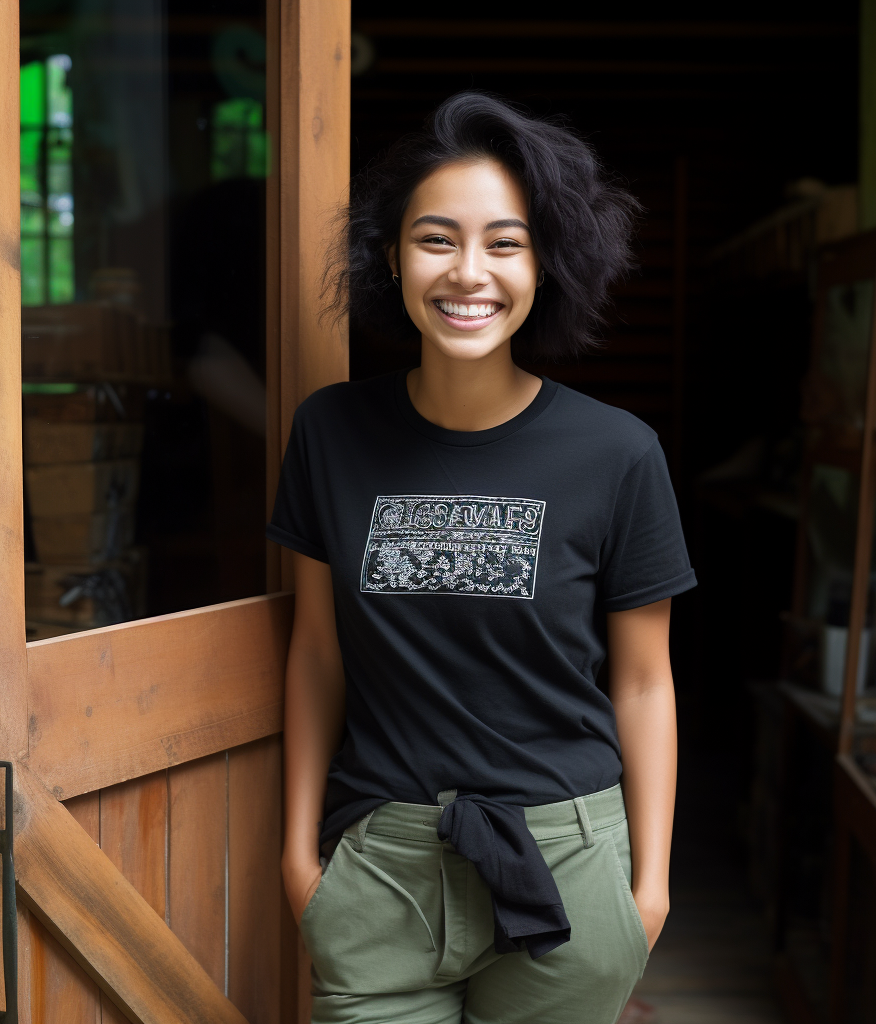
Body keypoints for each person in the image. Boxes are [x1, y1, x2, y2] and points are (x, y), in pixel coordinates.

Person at [267, 91, 696, 1024]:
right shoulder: (330, 433)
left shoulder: (617, 453)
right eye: (437, 239)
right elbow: (316, 650)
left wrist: (648, 885)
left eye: (506, 242)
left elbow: (644, 682)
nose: (470, 272)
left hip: (567, 866)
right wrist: (301, 858)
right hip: (383, 869)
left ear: (545, 265)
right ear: (391, 257)